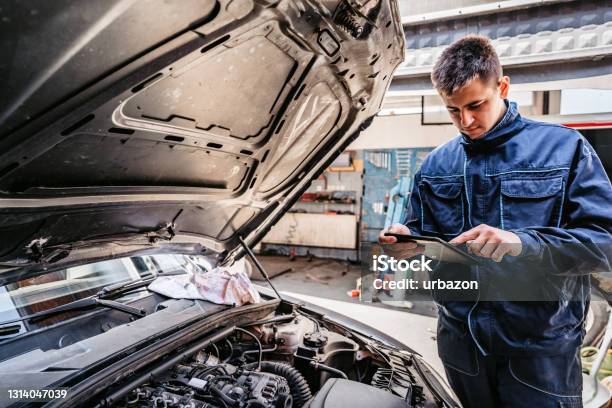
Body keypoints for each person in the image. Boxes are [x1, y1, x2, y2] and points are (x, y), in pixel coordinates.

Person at [378, 35, 612, 408]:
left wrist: (525, 243)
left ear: (502, 86)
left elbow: (604, 244)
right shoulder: (436, 164)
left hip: (538, 352)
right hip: (460, 346)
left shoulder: (565, 149)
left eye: (476, 105)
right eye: (453, 110)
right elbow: (423, 238)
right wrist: (408, 243)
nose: (466, 121)